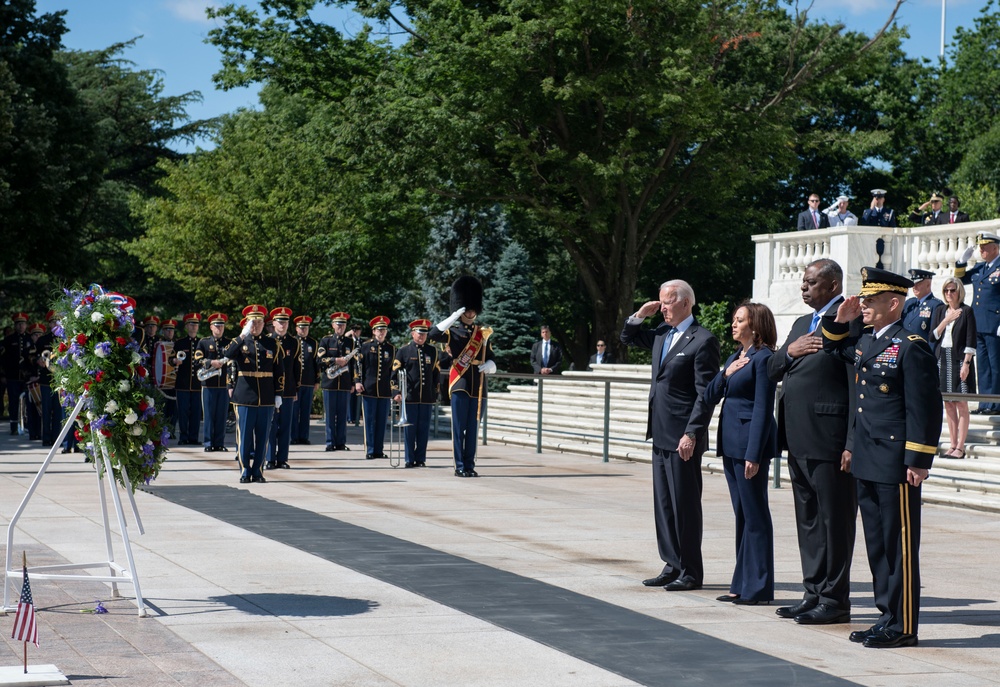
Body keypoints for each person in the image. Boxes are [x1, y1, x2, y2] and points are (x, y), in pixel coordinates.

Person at [822, 267, 942, 648]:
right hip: (868, 457)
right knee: (877, 543)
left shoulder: (911, 344)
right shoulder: (868, 340)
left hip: (895, 461)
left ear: (894, 303)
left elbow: (925, 407)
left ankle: (903, 625)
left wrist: (918, 459)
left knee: (899, 544)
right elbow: (834, 347)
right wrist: (840, 320)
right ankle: (886, 616)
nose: (864, 307)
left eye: (870, 302)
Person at [767, 258, 858, 626]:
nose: (804, 287)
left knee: (834, 521)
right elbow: (772, 368)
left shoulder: (850, 320)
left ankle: (835, 599)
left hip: (830, 438)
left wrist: (852, 440)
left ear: (833, 285)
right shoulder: (802, 324)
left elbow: (856, 383)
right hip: (797, 435)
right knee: (808, 521)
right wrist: (789, 352)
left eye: (811, 282)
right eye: (803, 282)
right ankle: (813, 592)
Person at [620, 280, 720, 591]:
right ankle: (672, 562)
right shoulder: (662, 334)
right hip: (660, 431)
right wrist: (640, 313)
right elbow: (628, 337)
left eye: (668, 302)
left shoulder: (703, 340)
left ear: (687, 304)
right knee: (664, 503)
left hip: (682, 437)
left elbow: (705, 394)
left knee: (685, 505)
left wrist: (692, 432)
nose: (663, 307)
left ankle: (690, 570)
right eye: (661, 302)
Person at [704, 302, 778, 605]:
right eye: (734, 319)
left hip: (750, 445)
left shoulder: (764, 358)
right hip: (731, 443)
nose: (733, 324)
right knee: (742, 516)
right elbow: (710, 394)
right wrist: (725, 372)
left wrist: (754, 453)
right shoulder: (737, 356)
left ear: (755, 325)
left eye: (740, 320)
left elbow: (763, 407)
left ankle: (758, 587)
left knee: (755, 515)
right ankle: (741, 582)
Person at [428, 276, 497, 477]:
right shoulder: (453, 331)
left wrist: (491, 365)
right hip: (461, 382)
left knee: (473, 428)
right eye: (467, 309)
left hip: (479, 384)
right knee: (459, 428)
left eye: (473, 309)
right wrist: (453, 315)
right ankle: (459, 465)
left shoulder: (482, 333)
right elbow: (433, 334)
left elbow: (491, 357)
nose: (471, 313)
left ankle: (469, 464)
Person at [222, 305, 284, 483]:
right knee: (244, 437)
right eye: (252, 322)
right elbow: (226, 354)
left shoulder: (273, 343)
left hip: (266, 397)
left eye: (258, 322)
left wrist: (278, 394)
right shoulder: (241, 342)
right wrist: (242, 335)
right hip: (244, 396)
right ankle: (244, 470)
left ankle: (258, 470)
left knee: (263, 437)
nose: (255, 325)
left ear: (264, 324)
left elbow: (279, 371)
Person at [930, 277, 977, 459]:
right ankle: (952, 444)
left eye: (952, 290)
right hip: (943, 359)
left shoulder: (967, 311)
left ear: (959, 291)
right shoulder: (941, 310)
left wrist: (966, 364)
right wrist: (946, 320)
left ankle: (960, 446)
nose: (949, 293)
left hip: (959, 360)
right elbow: (933, 336)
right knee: (948, 404)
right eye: (946, 290)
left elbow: (970, 340)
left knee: (961, 403)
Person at [956, 232, 1000, 414]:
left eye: (985, 245)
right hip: (979, 323)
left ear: (995, 247)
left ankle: (996, 404)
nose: (981, 249)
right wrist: (961, 262)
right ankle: (984, 403)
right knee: (982, 366)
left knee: (996, 366)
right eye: (980, 246)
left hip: (995, 324)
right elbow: (960, 278)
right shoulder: (980, 268)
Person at [392, 319, 441, 467]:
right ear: (413, 333)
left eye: (424, 334)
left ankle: (420, 458)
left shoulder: (432, 351)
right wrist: (396, 392)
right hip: (410, 396)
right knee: (410, 429)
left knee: (423, 429)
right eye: (419, 333)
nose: (422, 336)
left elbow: (436, 373)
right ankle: (409, 458)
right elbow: (394, 373)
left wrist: (435, 392)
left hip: (426, 397)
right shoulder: (404, 351)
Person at [355, 316, 397, 460]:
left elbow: (394, 371)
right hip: (369, 388)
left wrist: (394, 388)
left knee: (381, 421)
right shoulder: (366, 346)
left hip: (385, 390)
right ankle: (370, 449)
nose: (381, 332)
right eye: (379, 330)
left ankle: (379, 449)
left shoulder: (391, 348)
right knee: (370, 420)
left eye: (384, 330)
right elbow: (358, 365)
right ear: (373, 331)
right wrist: (357, 381)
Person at [265, 307, 299, 469]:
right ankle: (270, 458)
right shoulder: (267, 341)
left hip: (288, 389)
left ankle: (282, 458)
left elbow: (297, 368)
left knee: (285, 425)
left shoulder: (293, 342)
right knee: (271, 426)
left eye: (285, 322)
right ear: (273, 323)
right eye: (280, 322)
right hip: (270, 390)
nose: (283, 325)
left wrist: (295, 390)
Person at [318, 312, 356, 451]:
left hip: (345, 383)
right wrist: (335, 360)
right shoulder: (326, 341)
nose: (340, 327)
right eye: (338, 324)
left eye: (343, 324)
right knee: (330, 415)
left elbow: (353, 364)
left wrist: (353, 382)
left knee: (342, 415)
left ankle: (340, 442)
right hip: (330, 383)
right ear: (333, 325)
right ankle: (329, 442)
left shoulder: (349, 342)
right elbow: (319, 360)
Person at [195, 313, 231, 453]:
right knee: (209, 415)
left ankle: (219, 443)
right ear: (211, 327)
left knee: (222, 415)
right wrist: (211, 362)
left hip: (223, 384)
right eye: (217, 326)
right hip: (208, 384)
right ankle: (208, 442)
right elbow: (197, 359)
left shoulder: (228, 343)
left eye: (221, 326)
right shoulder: (204, 342)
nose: (219, 328)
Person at [173, 313, 203, 445]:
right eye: (191, 324)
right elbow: (170, 358)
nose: (194, 326)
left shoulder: (202, 343)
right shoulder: (179, 343)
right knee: (183, 412)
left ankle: (194, 438)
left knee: (196, 412)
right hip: (183, 383)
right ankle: (183, 437)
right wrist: (174, 361)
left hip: (198, 384)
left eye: (196, 324)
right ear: (186, 326)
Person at [1, 313, 31, 436]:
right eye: (18, 324)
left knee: (28, 402)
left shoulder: (30, 339)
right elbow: (2, 359)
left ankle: (27, 426)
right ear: (15, 326)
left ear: (26, 325)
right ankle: (14, 426)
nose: (20, 326)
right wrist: (2, 374)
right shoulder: (8, 341)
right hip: (12, 376)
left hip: (27, 377)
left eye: (22, 324)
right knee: (13, 402)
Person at [291, 315, 319, 445]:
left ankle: (304, 436)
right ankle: (293, 436)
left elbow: (316, 363)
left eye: (306, 328)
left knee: (305, 410)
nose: (304, 330)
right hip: (295, 383)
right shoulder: (292, 341)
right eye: (301, 328)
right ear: (297, 329)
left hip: (308, 381)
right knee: (294, 411)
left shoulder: (313, 343)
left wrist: (317, 380)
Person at [901, 269, 944, 342]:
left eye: (918, 284)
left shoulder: (936, 305)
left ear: (928, 285)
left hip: (922, 350)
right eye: (913, 284)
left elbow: (934, 336)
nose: (914, 287)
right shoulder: (909, 303)